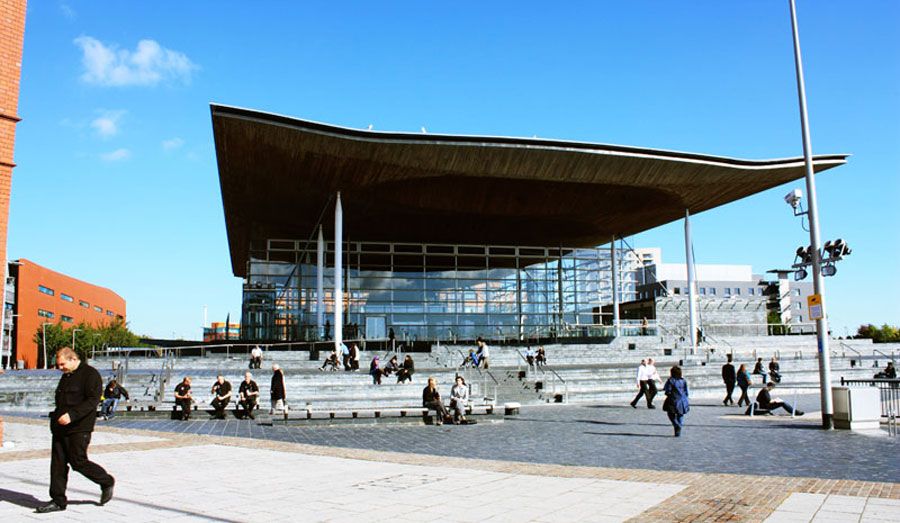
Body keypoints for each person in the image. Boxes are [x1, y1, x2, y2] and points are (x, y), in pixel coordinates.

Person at [37, 348, 115, 513]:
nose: (60, 368)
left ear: (73, 359)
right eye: (58, 365)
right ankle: (58, 500)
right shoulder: (67, 375)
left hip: (79, 427)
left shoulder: (90, 375)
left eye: (62, 364)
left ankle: (106, 481)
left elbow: (92, 401)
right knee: (57, 464)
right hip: (60, 427)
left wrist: (72, 415)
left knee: (78, 461)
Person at [663, 365, 690, 437]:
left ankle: (676, 425)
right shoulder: (683, 380)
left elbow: (668, 390)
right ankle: (678, 433)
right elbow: (686, 391)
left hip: (673, 399)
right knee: (680, 414)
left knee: (670, 414)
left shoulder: (671, 380)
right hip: (682, 399)